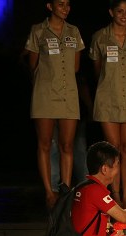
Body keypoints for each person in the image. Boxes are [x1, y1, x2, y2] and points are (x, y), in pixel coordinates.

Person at [25, 0, 85, 208]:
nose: (66, 8)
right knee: (45, 143)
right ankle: (49, 192)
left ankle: (66, 190)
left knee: (67, 144)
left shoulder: (74, 31)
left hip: (68, 94)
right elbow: (32, 64)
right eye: (61, 4)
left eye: (68, 4)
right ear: (50, 6)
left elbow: (76, 67)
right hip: (45, 94)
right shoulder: (38, 31)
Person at [90, 0, 126, 208]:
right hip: (108, 98)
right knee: (113, 148)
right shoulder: (100, 37)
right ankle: (114, 194)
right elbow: (98, 70)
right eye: (120, 11)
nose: (124, 15)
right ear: (111, 12)